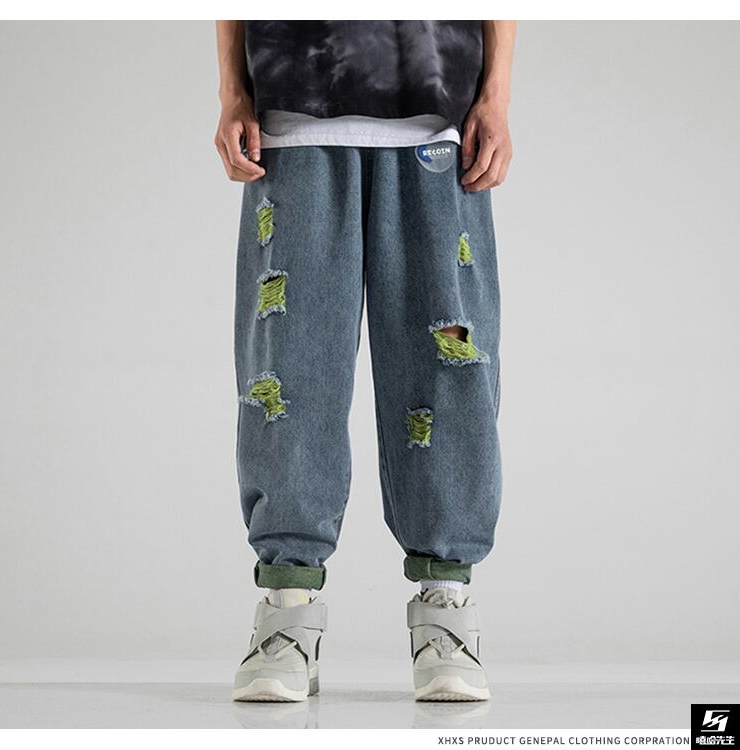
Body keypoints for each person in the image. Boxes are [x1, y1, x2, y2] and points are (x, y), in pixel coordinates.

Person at [214, 20, 515, 702]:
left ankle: (446, 610)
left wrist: (496, 95)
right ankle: (288, 614)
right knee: (288, 371)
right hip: (294, 105)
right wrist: (233, 90)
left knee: (449, 365)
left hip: (437, 108)